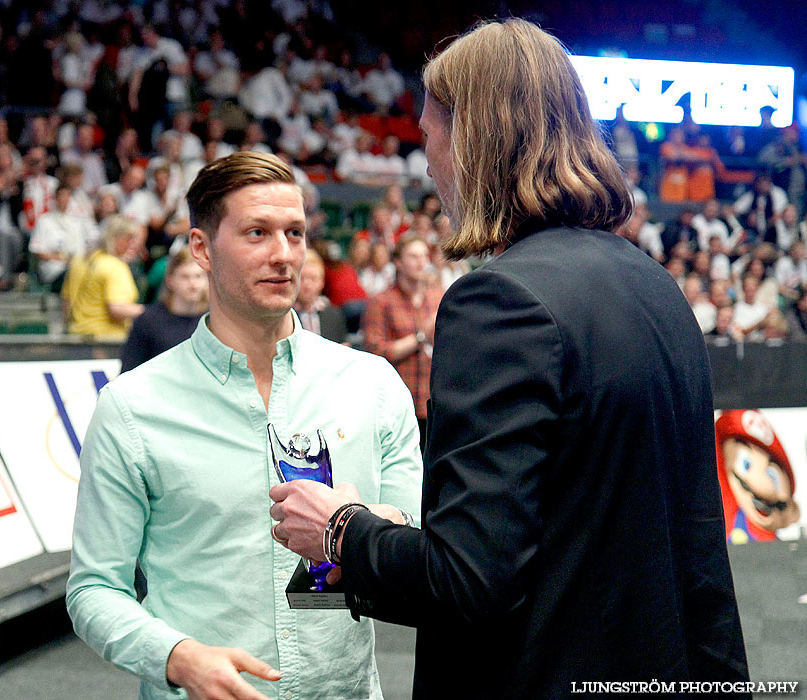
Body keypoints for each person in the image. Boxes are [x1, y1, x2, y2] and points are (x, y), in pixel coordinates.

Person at [270, 19, 749, 700]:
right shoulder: (654, 283)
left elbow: (470, 581)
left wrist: (342, 530)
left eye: (429, 132)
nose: (426, 159)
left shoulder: (498, 301)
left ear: (472, 137)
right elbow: (689, 555)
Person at [67, 152, 422, 700]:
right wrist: (178, 658)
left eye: (295, 233)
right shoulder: (133, 407)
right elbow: (94, 588)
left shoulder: (371, 385)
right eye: (257, 233)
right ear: (202, 248)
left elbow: (419, 534)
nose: (283, 255)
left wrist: (356, 524)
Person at [362, 235, 441, 452]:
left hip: (432, 402)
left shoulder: (438, 297)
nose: (421, 262)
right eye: (413, 256)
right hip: (396, 404)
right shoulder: (382, 302)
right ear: (398, 262)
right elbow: (377, 352)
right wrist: (419, 337)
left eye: (424, 256)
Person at [119, 247, 207, 373]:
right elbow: (129, 371)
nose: (193, 284)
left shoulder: (213, 321)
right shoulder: (148, 320)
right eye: (185, 277)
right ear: (170, 280)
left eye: (198, 276)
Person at [62, 214, 143, 338]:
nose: (132, 244)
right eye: (129, 238)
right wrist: (150, 313)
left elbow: (66, 302)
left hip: (75, 338)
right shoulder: (115, 266)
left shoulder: (78, 261)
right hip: (107, 342)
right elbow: (117, 309)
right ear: (115, 237)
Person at [293, 247, 346, 343]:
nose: (307, 285)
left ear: (322, 282)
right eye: (302, 278)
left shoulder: (334, 316)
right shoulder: (283, 317)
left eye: (313, 278)